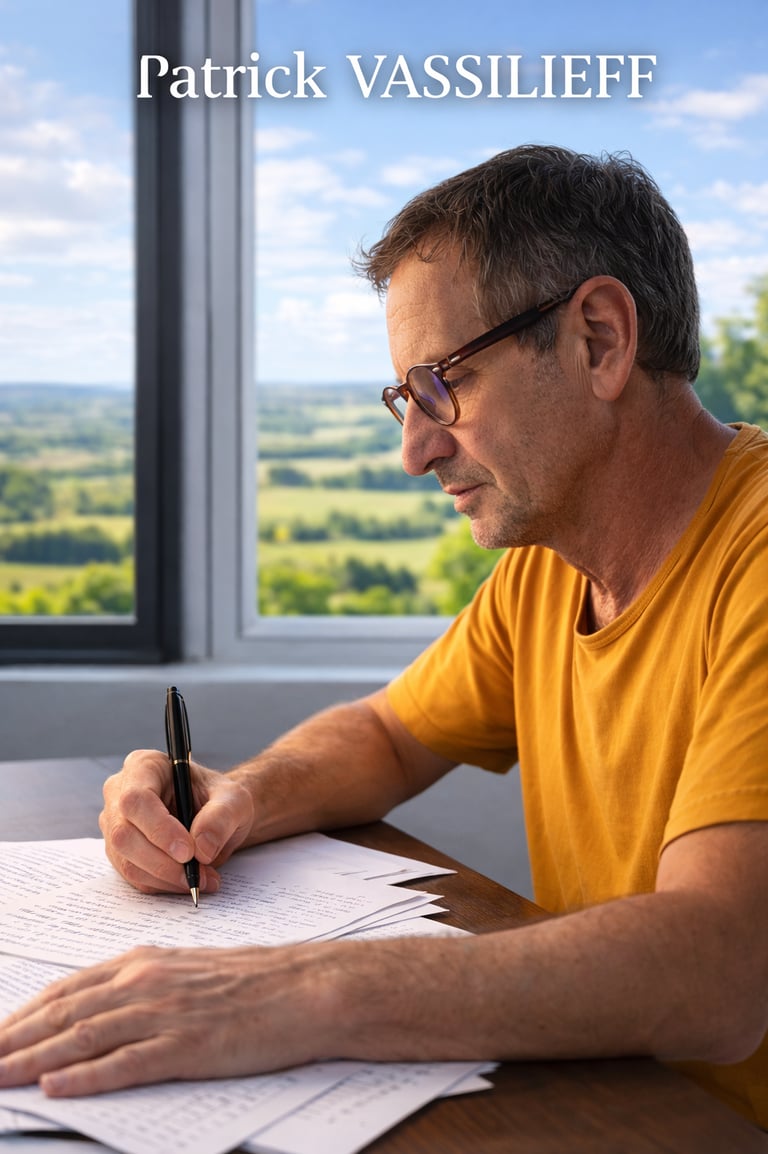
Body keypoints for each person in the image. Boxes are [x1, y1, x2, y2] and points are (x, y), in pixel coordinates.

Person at [1, 144, 767, 1128]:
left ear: (600, 338)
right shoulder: (551, 566)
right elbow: (390, 733)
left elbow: (717, 967)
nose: (415, 450)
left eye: (443, 383)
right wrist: (234, 797)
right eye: (405, 399)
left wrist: (305, 989)